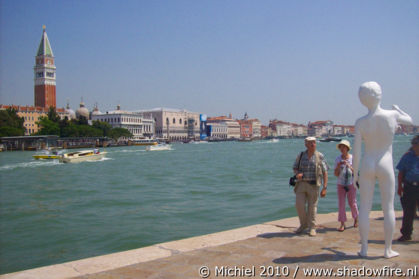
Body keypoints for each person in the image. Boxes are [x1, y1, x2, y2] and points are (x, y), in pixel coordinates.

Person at [353, 81, 413, 258]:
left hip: (367, 163)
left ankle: (364, 249)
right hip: (385, 163)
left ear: (362, 100)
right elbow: (410, 120)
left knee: (365, 208)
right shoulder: (392, 115)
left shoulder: (360, 122)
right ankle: (387, 249)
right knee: (388, 208)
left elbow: (356, 152)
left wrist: (355, 174)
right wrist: (398, 108)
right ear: (380, 95)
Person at [293, 136, 328, 237]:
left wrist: (325, 187)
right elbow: (295, 167)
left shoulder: (320, 156)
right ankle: (303, 224)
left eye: (314, 142)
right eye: (310, 143)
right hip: (301, 184)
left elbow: (325, 172)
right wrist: (297, 174)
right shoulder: (300, 155)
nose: (313, 144)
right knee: (299, 205)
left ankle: (312, 227)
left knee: (312, 207)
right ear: (306, 144)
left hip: (314, 185)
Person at [396, 135, 419, 242]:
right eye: (414, 144)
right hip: (410, 187)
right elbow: (401, 172)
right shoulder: (407, 156)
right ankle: (406, 234)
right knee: (408, 212)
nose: (415, 146)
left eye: (416, 144)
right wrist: (399, 186)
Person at [334, 139, 359, 232]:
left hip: (351, 183)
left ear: (347, 148)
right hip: (341, 184)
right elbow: (336, 174)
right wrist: (338, 166)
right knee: (341, 204)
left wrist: (349, 166)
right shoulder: (337, 159)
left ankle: (356, 218)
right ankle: (342, 223)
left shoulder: (353, 158)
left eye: (344, 147)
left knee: (352, 202)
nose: (342, 149)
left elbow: (356, 172)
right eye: (341, 147)